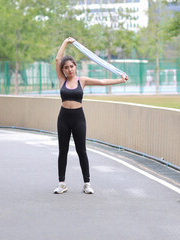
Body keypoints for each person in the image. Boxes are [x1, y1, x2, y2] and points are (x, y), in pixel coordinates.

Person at [54, 37, 128, 194]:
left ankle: (87, 183)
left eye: (71, 66)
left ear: (75, 67)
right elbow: (57, 58)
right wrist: (66, 42)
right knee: (63, 150)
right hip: (63, 118)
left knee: (82, 151)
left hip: (78, 118)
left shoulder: (83, 81)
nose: (69, 69)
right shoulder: (62, 80)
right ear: (63, 70)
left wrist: (120, 80)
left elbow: (102, 82)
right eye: (66, 68)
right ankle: (62, 183)